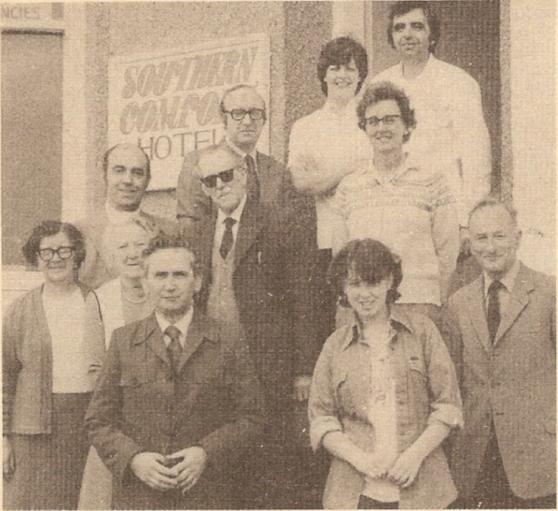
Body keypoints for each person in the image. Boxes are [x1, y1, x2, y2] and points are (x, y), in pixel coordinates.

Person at [85, 234, 266, 510]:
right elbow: (98, 420)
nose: (169, 286)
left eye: (180, 275)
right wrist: (134, 459)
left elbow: (253, 417)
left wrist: (206, 453)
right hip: (139, 497)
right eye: (160, 275)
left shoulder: (227, 340)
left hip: (207, 494)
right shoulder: (123, 341)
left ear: (198, 282)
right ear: (145, 283)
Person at [186, 144, 319, 508]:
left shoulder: (279, 223)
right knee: (221, 465)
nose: (220, 186)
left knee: (270, 466)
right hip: (212, 369)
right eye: (209, 181)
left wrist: (304, 371)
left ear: (243, 174)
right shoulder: (197, 234)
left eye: (226, 175)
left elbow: (305, 302)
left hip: (267, 366)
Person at [308, 238, 463, 509]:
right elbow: (321, 419)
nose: (364, 294)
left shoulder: (423, 332)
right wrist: (359, 459)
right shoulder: (334, 346)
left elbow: (448, 406)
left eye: (373, 282)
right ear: (343, 288)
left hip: (422, 490)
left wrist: (413, 457)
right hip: (355, 494)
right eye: (355, 284)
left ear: (390, 281)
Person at [442, 198, 556, 509]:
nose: (490, 247)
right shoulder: (458, 303)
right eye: (481, 238)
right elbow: (451, 382)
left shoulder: (550, 294)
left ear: (518, 238)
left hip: (537, 458)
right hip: (476, 457)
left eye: (499, 236)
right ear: (471, 244)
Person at [333, 82, 459, 322]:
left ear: (406, 125)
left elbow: (447, 254)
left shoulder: (432, 181)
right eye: (373, 121)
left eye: (390, 120)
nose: (382, 128)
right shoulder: (349, 187)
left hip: (418, 305)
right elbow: (341, 257)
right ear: (365, 128)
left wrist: (435, 302)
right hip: (363, 309)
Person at [371, 1, 491, 244]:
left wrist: (467, 221)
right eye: (399, 28)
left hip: (444, 210)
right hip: (391, 208)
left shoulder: (457, 82)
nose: (407, 34)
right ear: (392, 37)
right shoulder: (380, 84)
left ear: (431, 35)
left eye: (417, 26)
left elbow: (477, 156)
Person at [288, 35, 371, 380]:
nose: (342, 75)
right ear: (324, 74)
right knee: (327, 332)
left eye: (350, 68)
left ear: (360, 75)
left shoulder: (370, 121)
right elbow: (302, 183)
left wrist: (326, 174)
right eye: (335, 67)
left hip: (365, 236)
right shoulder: (306, 127)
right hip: (323, 242)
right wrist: (352, 167)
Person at [3, 221, 100, 510]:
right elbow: (5, 378)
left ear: (77, 256)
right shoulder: (20, 310)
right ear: (36, 258)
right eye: (46, 252)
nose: (55, 258)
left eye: (64, 250)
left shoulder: (96, 301)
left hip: (83, 425)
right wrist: (3, 438)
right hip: (31, 431)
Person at [78, 217, 158, 510]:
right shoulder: (100, 299)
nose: (133, 253)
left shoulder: (167, 291)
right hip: (118, 421)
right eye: (123, 246)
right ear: (111, 256)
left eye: (140, 245)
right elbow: (94, 370)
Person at [176, 84, 294, 235]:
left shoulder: (277, 171)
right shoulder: (199, 161)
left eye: (255, 113)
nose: (247, 121)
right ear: (224, 119)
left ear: (264, 119)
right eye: (238, 113)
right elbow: (190, 228)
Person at [76, 142, 178, 290]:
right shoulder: (78, 232)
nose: (128, 180)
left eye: (137, 173)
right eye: (119, 171)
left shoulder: (169, 232)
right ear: (104, 176)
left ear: (148, 180)